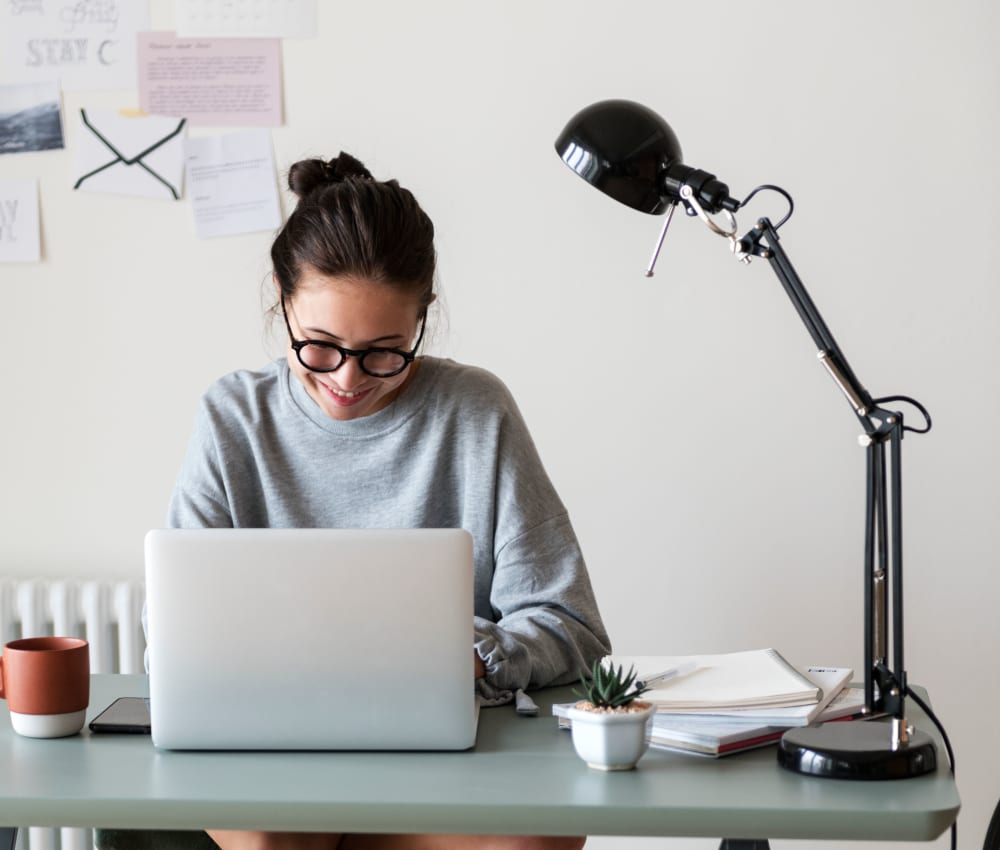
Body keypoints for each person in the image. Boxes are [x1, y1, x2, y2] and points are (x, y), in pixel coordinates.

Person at [166, 151, 611, 850]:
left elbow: (570, 627)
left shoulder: (475, 412)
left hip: (441, 756)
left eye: (383, 352)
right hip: (272, 755)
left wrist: (466, 656)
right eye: (318, 346)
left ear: (421, 321)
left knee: (539, 838)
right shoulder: (232, 418)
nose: (348, 379)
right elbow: (179, 628)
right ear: (282, 302)